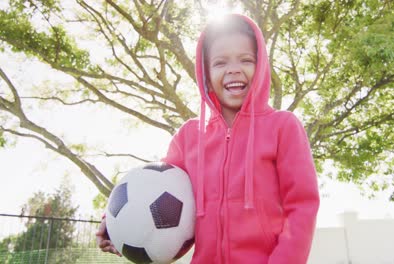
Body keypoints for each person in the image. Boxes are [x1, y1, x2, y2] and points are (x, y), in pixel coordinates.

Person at [97, 14, 320, 263]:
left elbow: (302, 206)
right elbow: (153, 192)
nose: (233, 69)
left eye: (246, 59)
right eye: (220, 62)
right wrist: (116, 225)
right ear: (206, 76)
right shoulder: (188, 137)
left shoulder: (283, 127)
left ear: (261, 68)